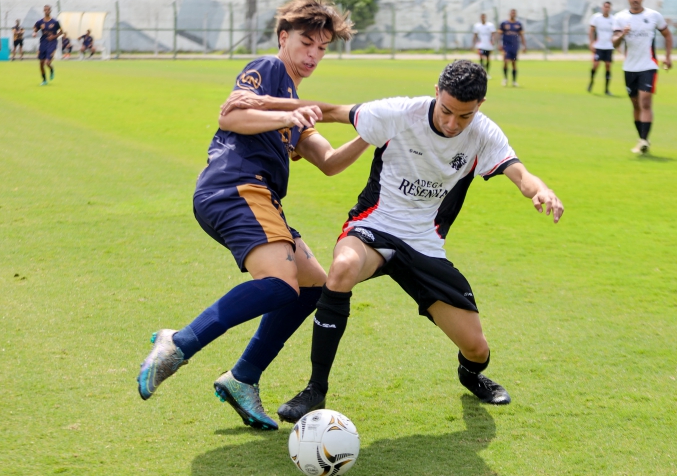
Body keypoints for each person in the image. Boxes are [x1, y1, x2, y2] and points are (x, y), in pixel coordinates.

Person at [242, 60, 564, 423]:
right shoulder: (399, 113)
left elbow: (520, 174)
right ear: (436, 92)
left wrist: (542, 190)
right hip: (373, 227)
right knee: (342, 268)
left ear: (480, 106)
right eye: (446, 111)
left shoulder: (485, 134)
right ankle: (316, 388)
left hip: (425, 244)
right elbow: (330, 111)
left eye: (464, 116)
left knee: (476, 348)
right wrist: (259, 102)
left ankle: (471, 375)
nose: (452, 123)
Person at [136, 0, 367, 432]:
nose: (314, 55)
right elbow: (233, 115)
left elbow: (330, 161)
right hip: (236, 187)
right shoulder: (271, 68)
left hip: (258, 199)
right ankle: (179, 342)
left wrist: (370, 134)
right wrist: (287, 110)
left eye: (322, 48)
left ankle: (243, 378)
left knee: (313, 286)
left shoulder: (293, 103)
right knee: (281, 285)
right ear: (284, 37)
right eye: (306, 43)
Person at [612, 0, 673, 155]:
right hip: (629, 67)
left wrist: (668, 57)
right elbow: (614, 43)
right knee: (635, 104)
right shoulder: (620, 17)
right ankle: (641, 139)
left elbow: (667, 35)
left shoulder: (653, 16)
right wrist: (623, 35)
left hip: (649, 66)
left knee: (645, 102)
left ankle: (645, 139)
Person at [588, 1, 615, 95]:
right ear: (602, 8)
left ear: (610, 9)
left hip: (609, 47)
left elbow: (616, 33)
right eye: (605, 7)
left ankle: (606, 89)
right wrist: (591, 43)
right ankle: (591, 82)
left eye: (608, 7)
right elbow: (591, 31)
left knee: (608, 66)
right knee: (595, 65)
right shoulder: (596, 17)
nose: (606, 8)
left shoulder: (613, 19)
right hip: (599, 46)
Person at [33, 5, 61, 86]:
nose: (46, 11)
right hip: (43, 43)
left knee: (47, 63)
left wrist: (54, 36)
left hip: (52, 43)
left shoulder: (55, 22)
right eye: (45, 10)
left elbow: (61, 32)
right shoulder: (40, 22)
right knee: (41, 63)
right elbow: (35, 29)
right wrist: (34, 33)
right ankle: (44, 80)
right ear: (43, 11)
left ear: (50, 11)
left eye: (48, 10)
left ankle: (51, 69)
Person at [499, 9, 526, 87]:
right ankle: (505, 79)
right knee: (506, 61)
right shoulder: (504, 23)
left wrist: (524, 46)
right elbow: (499, 34)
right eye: (511, 13)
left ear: (516, 14)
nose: (513, 14)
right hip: (506, 46)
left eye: (514, 13)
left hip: (514, 46)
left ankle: (514, 81)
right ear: (509, 14)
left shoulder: (518, 24)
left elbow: (522, 36)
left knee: (514, 63)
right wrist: (498, 44)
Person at [472, 14, 496, 79]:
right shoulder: (477, 26)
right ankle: (482, 73)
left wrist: (493, 41)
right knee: (481, 58)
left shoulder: (490, 25)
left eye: (484, 17)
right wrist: (473, 44)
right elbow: (475, 35)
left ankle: (487, 72)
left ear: (485, 17)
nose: (483, 18)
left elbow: (493, 34)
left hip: (488, 45)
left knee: (488, 58)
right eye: (481, 17)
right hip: (481, 45)